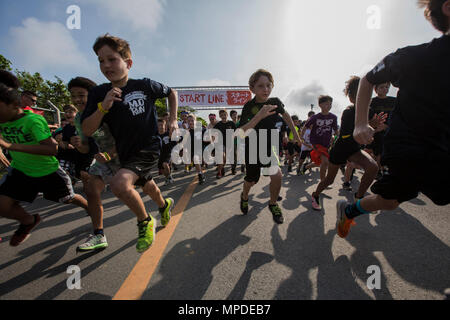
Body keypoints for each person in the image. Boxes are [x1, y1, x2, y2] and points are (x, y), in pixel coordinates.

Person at [336, 0, 450, 238]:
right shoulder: (414, 57)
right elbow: (367, 79)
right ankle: (349, 209)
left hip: (443, 144)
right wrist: (361, 123)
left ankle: (351, 208)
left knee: (391, 202)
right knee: (389, 201)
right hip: (409, 145)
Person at [81, 34, 176, 253]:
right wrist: (103, 107)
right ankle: (164, 205)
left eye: (112, 59)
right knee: (146, 184)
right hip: (123, 153)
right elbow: (87, 129)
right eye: (101, 61)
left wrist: (172, 119)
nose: (106, 65)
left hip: (149, 147)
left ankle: (145, 222)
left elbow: (172, 92)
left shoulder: (144, 85)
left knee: (119, 184)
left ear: (128, 63)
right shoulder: (98, 93)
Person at [0, 71, 88, 247]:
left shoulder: (32, 121)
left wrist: (10, 146)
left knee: (69, 199)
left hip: (47, 171)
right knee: (2, 205)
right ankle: (28, 220)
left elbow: (51, 149)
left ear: (11, 104)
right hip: (20, 171)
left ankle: (91, 208)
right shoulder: (2, 121)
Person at [309, 76, 385, 211]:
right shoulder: (348, 112)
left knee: (373, 167)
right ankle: (315, 195)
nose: (364, 100)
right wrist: (370, 127)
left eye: (366, 96)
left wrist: (375, 130)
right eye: (358, 96)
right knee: (329, 180)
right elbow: (347, 137)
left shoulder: (371, 112)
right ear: (351, 98)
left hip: (354, 150)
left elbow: (369, 136)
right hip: (340, 150)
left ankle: (358, 199)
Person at [237, 69, 301, 224]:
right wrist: (259, 115)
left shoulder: (275, 102)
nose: (265, 89)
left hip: (271, 145)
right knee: (252, 181)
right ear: (252, 89)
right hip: (252, 147)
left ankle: (272, 203)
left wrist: (296, 134)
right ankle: (244, 196)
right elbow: (241, 132)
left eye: (268, 85)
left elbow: (285, 116)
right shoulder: (248, 107)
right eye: (260, 86)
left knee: (277, 174)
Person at [68, 76, 117, 252]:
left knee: (136, 189)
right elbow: (85, 148)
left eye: (81, 95)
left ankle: (162, 205)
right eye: (73, 96)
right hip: (103, 158)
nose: (77, 100)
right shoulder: (79, 118)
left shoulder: (110, 110)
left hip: (125, 155)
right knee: (90, 189)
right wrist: (79, 145)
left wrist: (110, 154)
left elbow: (127, 138)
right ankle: (99, 234)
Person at [300, 95, 338, 184]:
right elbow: (305, 127)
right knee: (325, 162)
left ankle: (306, 167)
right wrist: (301, 137)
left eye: (330, 104)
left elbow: (336, 130)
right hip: (316, 142)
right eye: (327, 104)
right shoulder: (315, 117)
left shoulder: (333, 117)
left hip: (326, 144)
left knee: (320, 163)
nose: (329, 106)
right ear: (320, 105)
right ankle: (323, 182)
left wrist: (338, 138)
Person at [367, 82, 396, 179]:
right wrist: (374, 126)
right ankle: (379, 169)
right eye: (382, 87)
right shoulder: (371, 102)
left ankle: (382, 169)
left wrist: (387, 126)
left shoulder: (394, 101)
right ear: (376, 89)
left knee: (384, 151)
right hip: (374, 131)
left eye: (387, 87)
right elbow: (367, 117)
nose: (385, 89)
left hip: (390, 131)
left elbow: (398, 116)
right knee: (375, 151)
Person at [214, 109, 236, 178]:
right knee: (223, 158)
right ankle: (220, 171)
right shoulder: (218, 125)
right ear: (220, 116)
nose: (223, 116)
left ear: (227, 115)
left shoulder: (231, 123)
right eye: (221, 115)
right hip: (221, 144)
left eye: (224, 115)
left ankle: (233, 169)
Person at [158, 119, 177, 185]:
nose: (160, 127)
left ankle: (169, 177)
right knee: (161, 169)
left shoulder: (168, 134)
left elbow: (174, 141)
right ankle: (167, 177)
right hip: (160, 154)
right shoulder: (156, 135)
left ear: (165, 126)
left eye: (162, 125)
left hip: (168, 153)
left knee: (165, 164)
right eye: (159, 125)